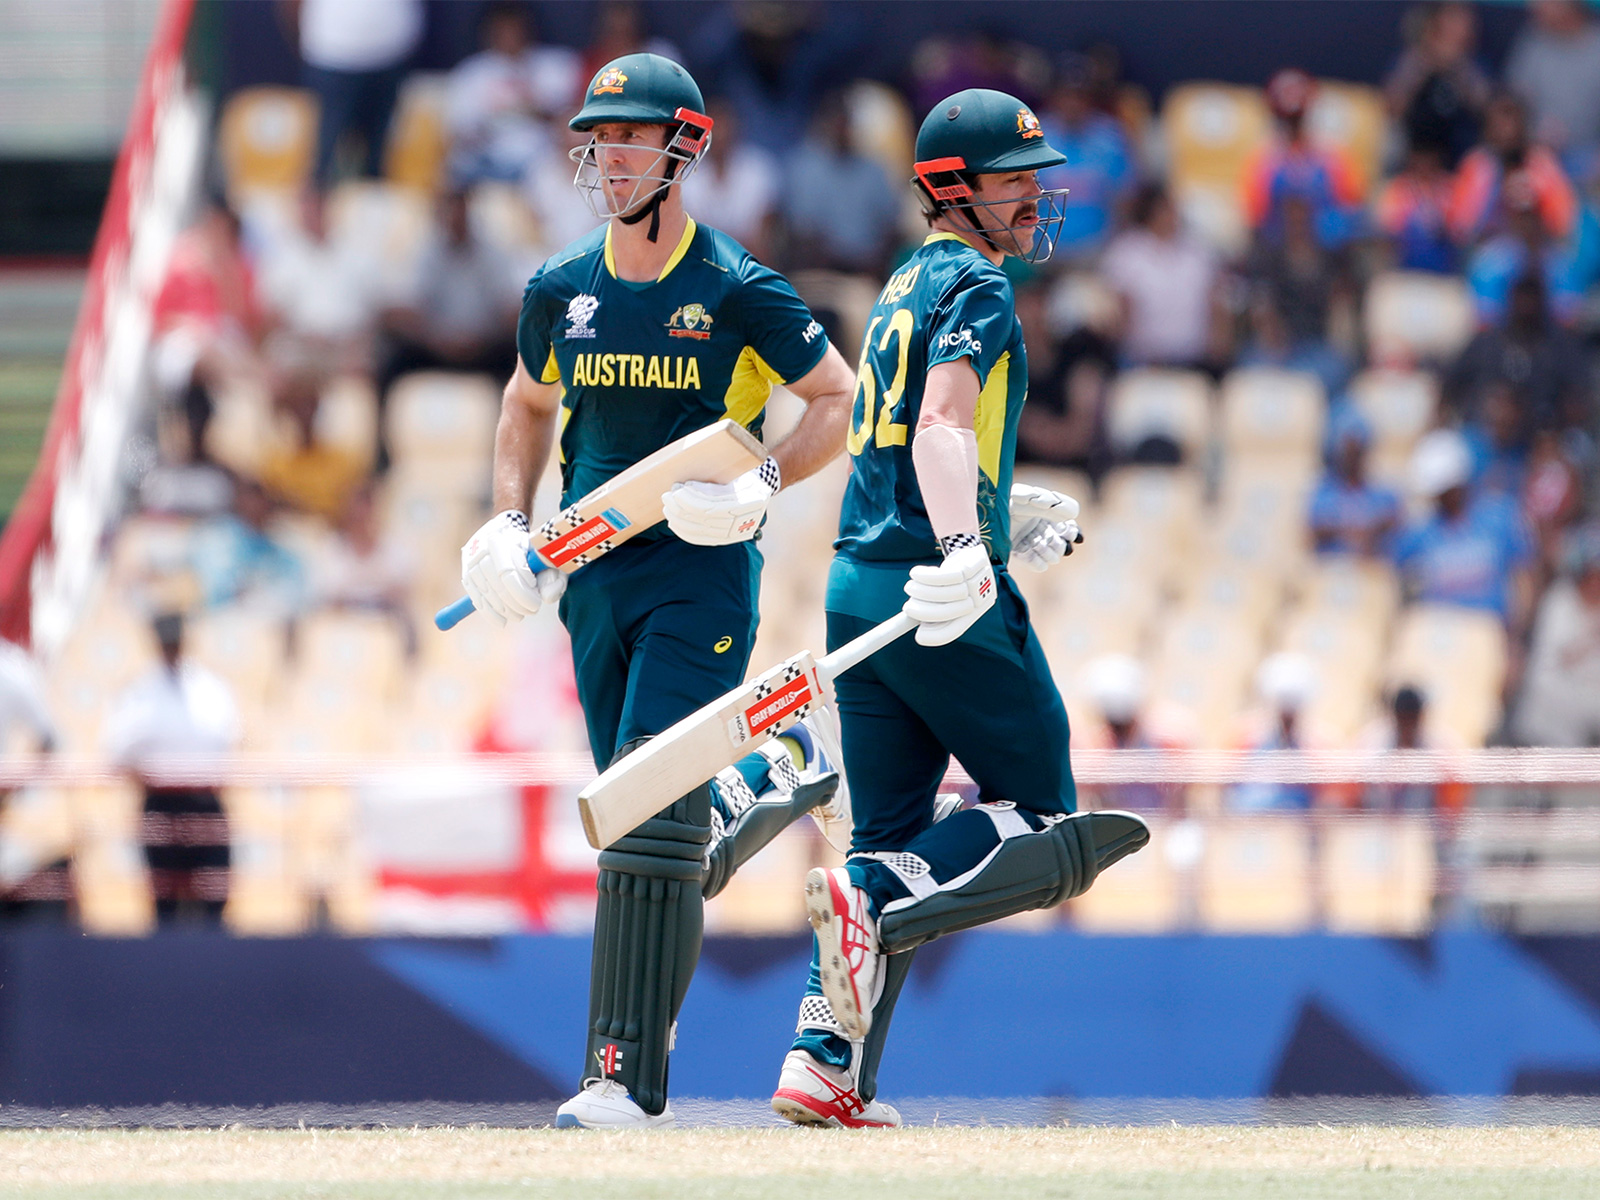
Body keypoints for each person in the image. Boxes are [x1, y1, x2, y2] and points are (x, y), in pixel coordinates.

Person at [457, 54, 857, 1130]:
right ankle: (771, 770)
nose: (607, 155)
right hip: (593, 578)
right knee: (655, 827)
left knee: (638, 814)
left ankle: (623, 1078)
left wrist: (763, 479)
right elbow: (526, 405)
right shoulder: (559, 288)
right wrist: (507, 519)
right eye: (597, 138)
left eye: (630, 136)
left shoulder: (735, 286)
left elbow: (835, 399)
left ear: (686, 147)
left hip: (700, 575)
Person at [770, 89, 1148, 1129]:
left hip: (857, 589)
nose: (1034, 196)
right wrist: (960, 546)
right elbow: (939, 425)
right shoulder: (977, 283)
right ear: (953, 190)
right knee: (1046, 815)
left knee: (883, 833)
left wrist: (993, 502)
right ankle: (880, 903)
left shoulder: (900, 283)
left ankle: (821, 1064)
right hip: (935, 593)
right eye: (1013, 179)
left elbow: (896, 438)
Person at [102, 613, 240, 925]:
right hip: (161, 801)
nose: (171, 649)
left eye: (175, 642)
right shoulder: (138, 691)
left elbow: (228, 740)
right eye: (166, 643)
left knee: (213, 900)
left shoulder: (210, 686)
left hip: (205, 801)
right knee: (164, 900)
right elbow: (117, 748)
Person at [1392, 428, 1536, 631]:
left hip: (1488, 633)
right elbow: (1391, 567)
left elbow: (1523, 579)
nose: (1442, 497)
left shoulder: (1499, 517)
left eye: (1447, 490)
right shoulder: (1423, 531)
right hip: (1438, 634)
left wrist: (1517, 633)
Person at [444, 1, 581, 187]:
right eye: (502, 30)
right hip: (490, 162)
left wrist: (535, 108)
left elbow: (573, 121)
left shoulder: (556, 65)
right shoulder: (472, 73)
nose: (509, 36)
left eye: (514, 29)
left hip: (542, 161)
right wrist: (494, 118)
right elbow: (460, 133)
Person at [1099, 182, 1227, 370]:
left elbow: (1216, 303)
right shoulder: (1126, 253)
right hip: (1141, 361)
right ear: (1151, 213)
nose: (1172, 216)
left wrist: (1218, 348)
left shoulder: (1198, 252)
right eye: (1165, 209)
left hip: (1194, 360)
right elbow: (1118, 310)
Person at [296, 0, 422, 186]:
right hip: (332, 53)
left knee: (380, 159)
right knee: (323, 161)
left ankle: (374, 211)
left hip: (391, 54)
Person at [1241, 69, 1364, 248]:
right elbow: (1256, 219)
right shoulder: (1263, 161)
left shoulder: (1333, 157)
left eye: (1299, 118)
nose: (1294, 126)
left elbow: (1351, 211)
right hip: (1278, 258)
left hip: (1329, 256)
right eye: (1288, 120)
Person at [1384, 1, 1490, 170]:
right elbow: (1393, 108)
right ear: (1435, 23)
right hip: (1415, 156)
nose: (1462, 26)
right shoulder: (1412, 59)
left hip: (1460, 156)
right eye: (1453, 18)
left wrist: (1458, 67)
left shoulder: (1474, 65)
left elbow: (1487, 111)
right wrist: (1426, 63)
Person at [1506, 0, 1600, 172]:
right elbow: (1512, 100)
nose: (1533, 6)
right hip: (1535, 155)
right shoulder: (1532, 41)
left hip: (1589, 161)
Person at [1308, 409, 1402, 557]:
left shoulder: (1382, 492)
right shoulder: (1324, 491)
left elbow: (1395, 522)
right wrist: (1359, 529)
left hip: (1371, 567)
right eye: (1348, 452)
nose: (1352, 458)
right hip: (1334, 566)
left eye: (1357, 452)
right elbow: (1316, 528)